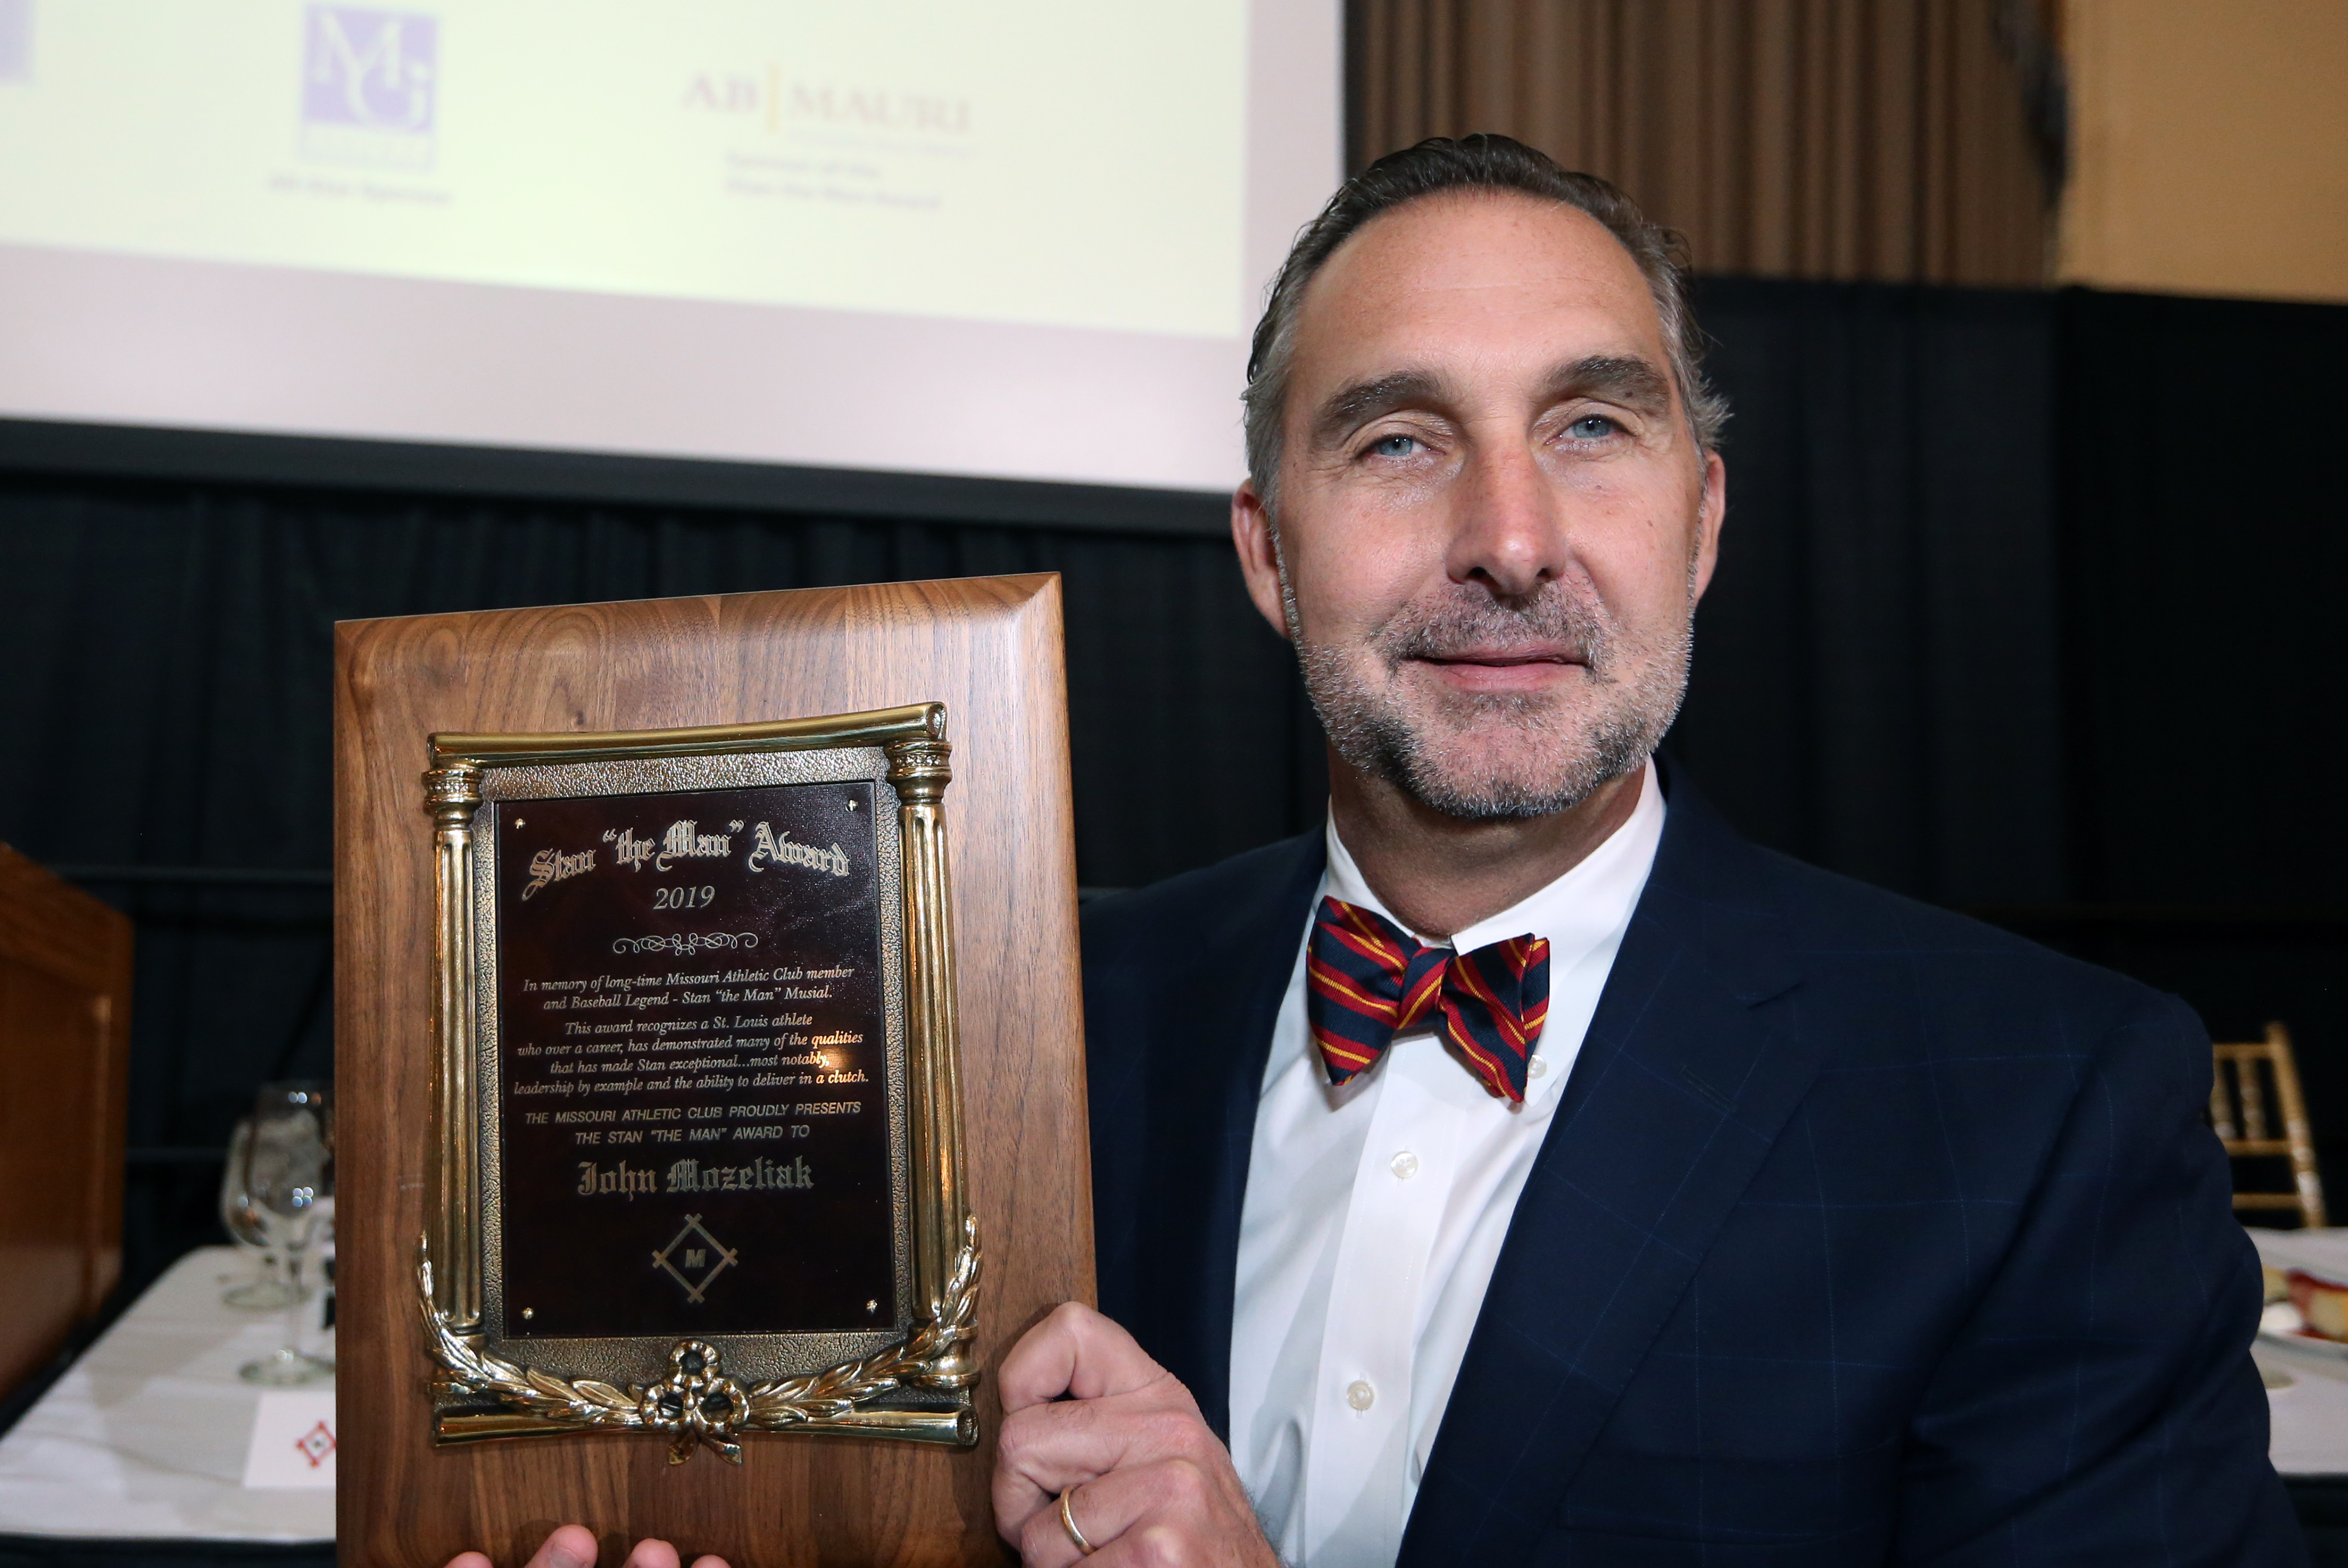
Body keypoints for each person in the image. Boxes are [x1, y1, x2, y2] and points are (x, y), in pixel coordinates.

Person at [466, 136, 2301, 1567]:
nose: (1510, 537)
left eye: (1591, 426)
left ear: (1705, 521)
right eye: (1402, 440)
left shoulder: (2043, 1112)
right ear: (1268, 555)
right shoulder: (1015, 1016)